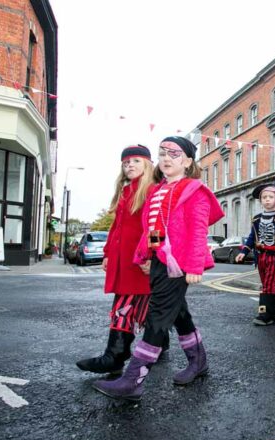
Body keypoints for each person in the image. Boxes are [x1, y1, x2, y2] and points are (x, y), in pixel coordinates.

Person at [93, 136, 224, 401]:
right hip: (159, 262)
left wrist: (196, 265)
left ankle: (133, 380)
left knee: (157, 317)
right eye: (162, 152)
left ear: (187, 161)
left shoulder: (194, 190)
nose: (166, 158)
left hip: (180, 264)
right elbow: (155, 229)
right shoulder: (156, 190)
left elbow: (198, 231)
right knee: (179, 314)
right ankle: (198, 362)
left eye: (173, 154)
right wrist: (148, 253)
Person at [76, 144, 158, 375]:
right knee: (149, 308)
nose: (129, 165)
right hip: (124, 261)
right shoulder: (125, 191)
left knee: (126, 307)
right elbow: (116, 228)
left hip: (139, 260)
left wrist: (152, 255)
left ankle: (115, 356)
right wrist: (108, 254)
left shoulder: (153, 190)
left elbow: (157, 227)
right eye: (126, 163)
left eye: (135, 161)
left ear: (148, 164)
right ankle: (158, 345)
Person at [236, 185, 275, 326]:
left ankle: (267, 315)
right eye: (264, 198)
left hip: (274, 256)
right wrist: (243, 252)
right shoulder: (257, 218)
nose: (267, 200)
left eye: (270, 197)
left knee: (268, 285)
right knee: (267, 282)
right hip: (260, 256)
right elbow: (252, 237)